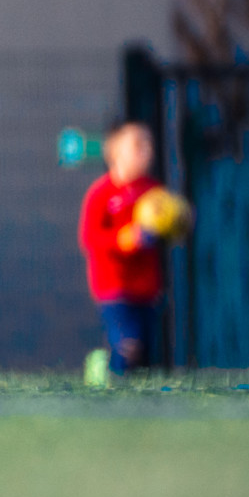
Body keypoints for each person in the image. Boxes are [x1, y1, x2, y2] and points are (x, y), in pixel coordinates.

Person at [79, 122, 165, 376]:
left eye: (149, 144)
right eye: (138, 145)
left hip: (147, 287)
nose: (146, 151)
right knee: (128, 345)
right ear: (115, 153)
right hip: (113, 287)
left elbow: (171, 222)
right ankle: (107, 375)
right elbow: (90, 238)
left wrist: (181, 219)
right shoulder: (101, 194)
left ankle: (129, 390)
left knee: (146, 351)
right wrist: (123, 239)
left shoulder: (153, 192)